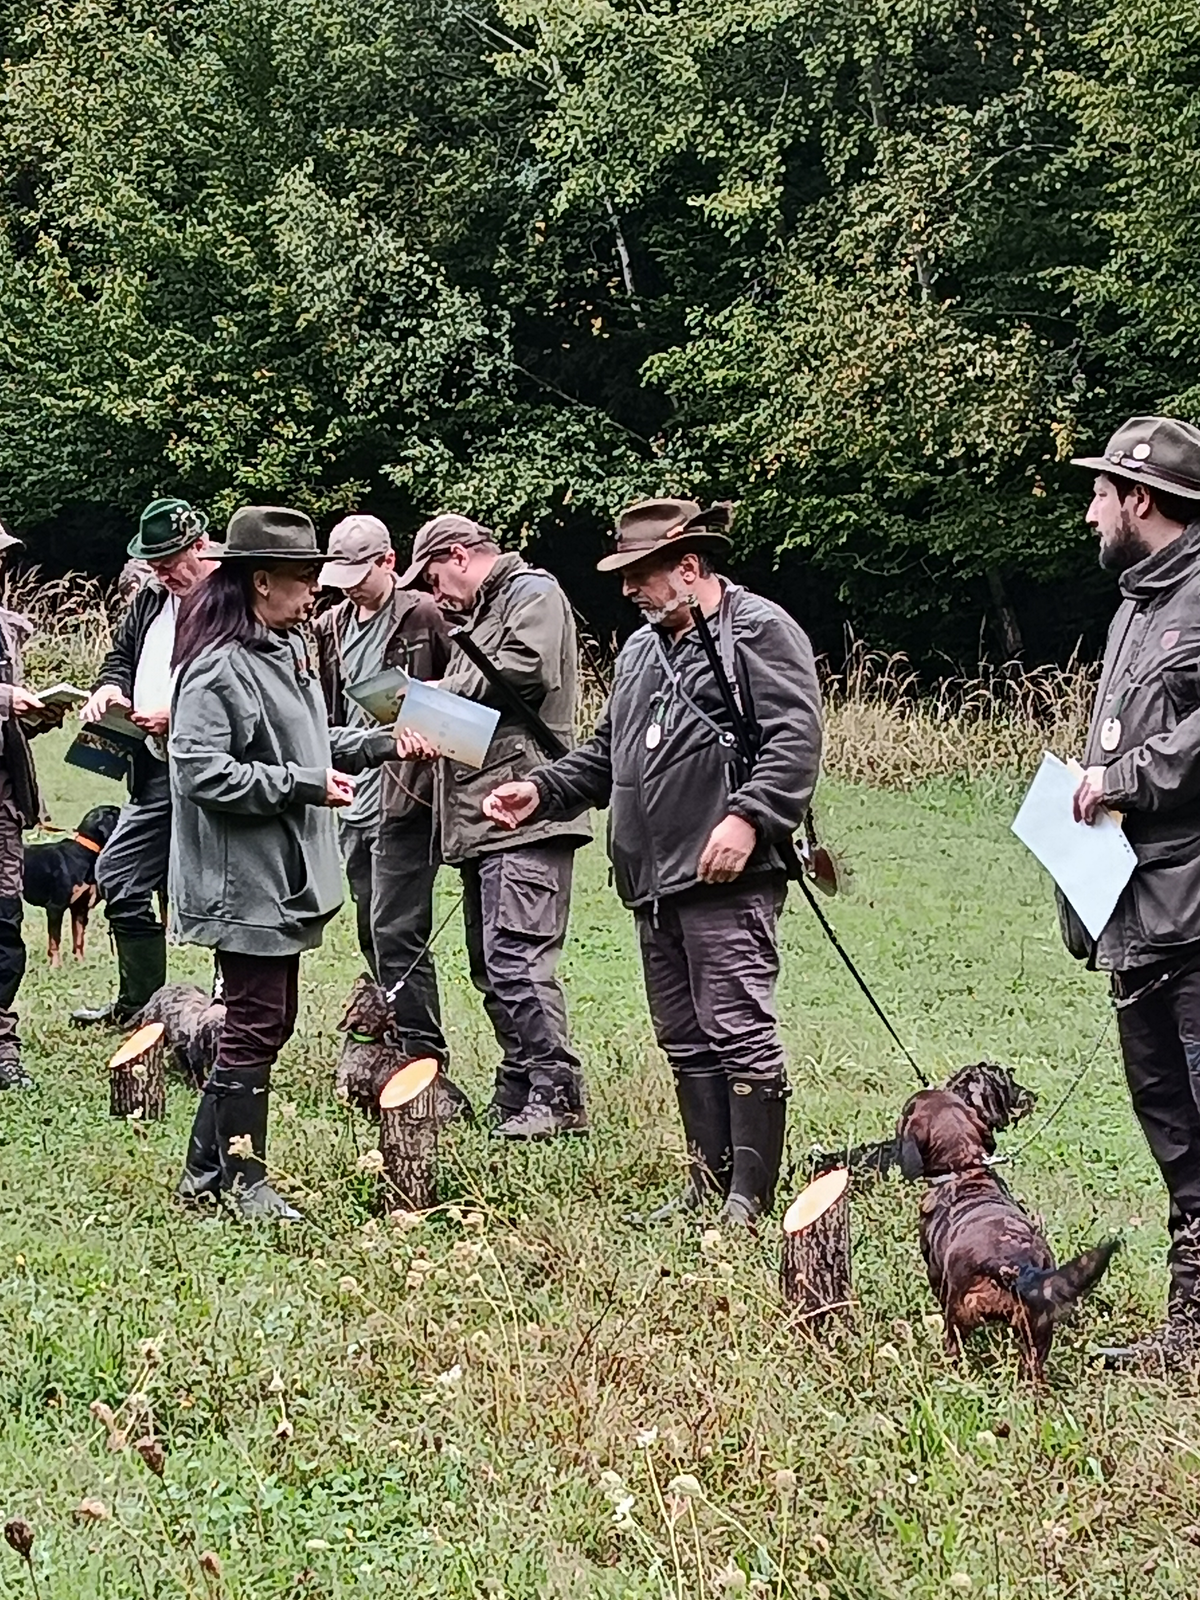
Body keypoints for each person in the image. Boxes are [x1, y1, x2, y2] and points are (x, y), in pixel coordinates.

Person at [483, 498, 823, 1226]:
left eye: (641, 573)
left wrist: (749, 818)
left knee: (738, 1028)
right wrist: (541, 790)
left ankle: (749, 1199)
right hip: (652, 878)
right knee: (684, 1035)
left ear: (689, 566)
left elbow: (795, 740)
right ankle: (707, 1183)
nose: (628, 588)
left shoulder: (758, 629)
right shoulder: (641, 649)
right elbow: (609, 753)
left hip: (727, 873)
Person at [168, 506, 401, 1219]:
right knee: (256, 1022)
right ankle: (245, 1183)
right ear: (261, 581)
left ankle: (204, 1177)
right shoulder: (218, 668)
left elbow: (307, 740)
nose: (315, 591)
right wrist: (300, 785)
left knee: (265, 1020)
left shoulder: (284, 650)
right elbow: (199, 769)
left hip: (281, 874)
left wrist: (381, 743)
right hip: (242, 880)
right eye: (303, 578)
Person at [1063, 417, 1200, 1372]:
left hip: (1193, 908)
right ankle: (1191, 1325)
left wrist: (1121, 779)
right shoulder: (1133, 608)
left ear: (1139, 500)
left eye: (1100, 494)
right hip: (1136, 907)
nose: (1090, 512)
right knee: (1167, 1117)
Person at [396, 514, 591, 1139]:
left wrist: (433, 693)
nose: (434, 595)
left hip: (529, 808)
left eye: (433, 578)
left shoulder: (533, 592)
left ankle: (558, 1094)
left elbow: (526, 671)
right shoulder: (482, 611)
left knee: (518, 959)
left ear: (459, 555)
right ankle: (519, 1087)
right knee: (491, 963)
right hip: (485, 814)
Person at [73, 499, 216, 1026]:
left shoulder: (238, 598)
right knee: (118, 873)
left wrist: (177, 715)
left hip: (216, 768)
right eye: (153, 565)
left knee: (222, 890)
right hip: (153, 767)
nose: (162, 575)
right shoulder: (152, 598)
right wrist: (111, 688)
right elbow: (120, 658)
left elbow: (246, 688)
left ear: (200, 545)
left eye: (170, 563)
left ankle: (228, 1013)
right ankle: (141, 1007)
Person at [314, 514, 450, 1065]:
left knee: (398, 929)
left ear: (388, 561)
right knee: (371, 927)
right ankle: (392, 1030)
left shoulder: (424, 615)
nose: (348, 588)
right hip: (353, 796)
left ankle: (423, 1053)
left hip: (408, 795)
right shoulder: (329, 626)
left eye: (358, 576)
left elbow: (463, 697)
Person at [0, 517, 67, 1088]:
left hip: (3, 803)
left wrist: (36, 715)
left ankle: (1, 1043)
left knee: (3, 924)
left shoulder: (6, 630)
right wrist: (6, 700)